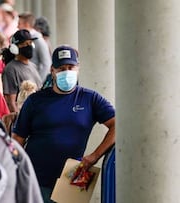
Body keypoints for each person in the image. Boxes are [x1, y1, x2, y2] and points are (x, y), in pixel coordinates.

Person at [11, 45, 116, 202]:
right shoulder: (35, 100)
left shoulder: (90, 98)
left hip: (75, 176)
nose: (66, 72)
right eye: (61, 68)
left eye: (70, 67)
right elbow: (17, 139)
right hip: (36, 179)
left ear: (78, 68)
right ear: (52, 70)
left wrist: (95, 156)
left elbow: (117, 125)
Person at [2, 29, 42, 112]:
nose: (29, 46)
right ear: (15, 48)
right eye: (25, 44)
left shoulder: (33, 66)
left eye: (30, 43)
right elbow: (10, 102)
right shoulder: (10, 69)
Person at [18, 12, 52, 81]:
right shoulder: (21, 39)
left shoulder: (39, 41)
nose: (17, 26)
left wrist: (38, 82)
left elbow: (46, 64)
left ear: (26, 25)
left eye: (19, 24)